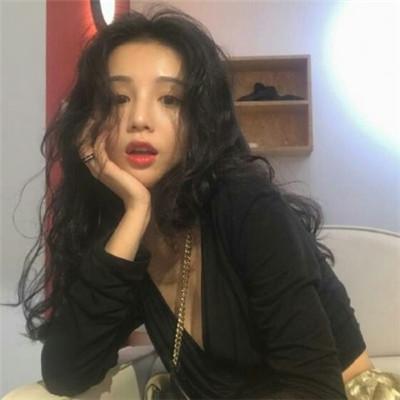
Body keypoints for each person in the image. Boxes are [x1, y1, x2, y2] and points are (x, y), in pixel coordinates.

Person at [6, 4, 399, 400]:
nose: (139, 119)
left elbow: (316, 389)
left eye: (170, 99)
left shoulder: (247, 205)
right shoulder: (123, 236)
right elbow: (67, 375)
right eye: (118, 98)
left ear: (200, 119)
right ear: (89, 123)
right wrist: (135, 211)